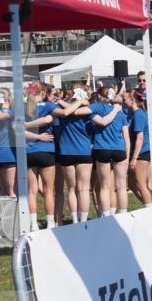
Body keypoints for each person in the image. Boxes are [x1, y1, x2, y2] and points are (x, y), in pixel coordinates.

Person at [55, 84, 95, 223]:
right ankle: (83, 221)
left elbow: (57, 128)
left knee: (71, 189)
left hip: (65, 152)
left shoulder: (62, 111)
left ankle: (74, 220)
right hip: (83, 151)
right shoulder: (87, 112)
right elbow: (92, 129)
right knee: (83, 189)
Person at [88, 86, 130, 216]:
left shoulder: (97, 111)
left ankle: (106, 216)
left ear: (100, 97)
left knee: (105, 186)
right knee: (121, 186)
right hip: (119, 148)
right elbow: (126, 137)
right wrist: (127, 156)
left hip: (102, 148)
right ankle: (123, 214)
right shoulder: (120, 113)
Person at [25, 84, 59, 230]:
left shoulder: (26, 107)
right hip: (46, 150)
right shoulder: (48, 105)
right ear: (43, 92)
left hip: (29, 151)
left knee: (32, 191)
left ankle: (33, 224)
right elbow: (50, 120)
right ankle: (50, 222)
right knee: (48, 190)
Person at [124, 91, 152, 207]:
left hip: (141, 153)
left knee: (141, 185)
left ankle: (151, 209)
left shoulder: (138, 115)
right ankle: (149, 205)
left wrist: (134, 158)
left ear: (133, 99)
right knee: (131, 184)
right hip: (136, 153)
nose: (123, 101)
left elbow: (139, 138)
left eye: (125, 99)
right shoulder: (132, 114)